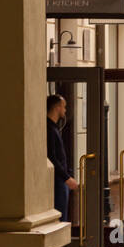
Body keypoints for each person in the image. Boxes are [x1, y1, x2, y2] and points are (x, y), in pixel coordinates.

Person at [46, 93, 78, 224]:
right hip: (58, 181)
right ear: (57, 107)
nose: (65, 110)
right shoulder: (49, 129)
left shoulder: (53, 128)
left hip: (61, 180)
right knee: (60, 217)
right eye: (64, 107)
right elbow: (52, 157)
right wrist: (67, 178)